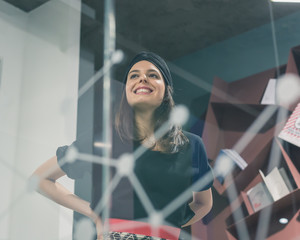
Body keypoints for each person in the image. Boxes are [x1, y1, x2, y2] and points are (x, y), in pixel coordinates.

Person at [31, 51, 214, 240]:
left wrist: (170, 224)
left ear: (166, 89)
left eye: (153, 75)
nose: (142, 78)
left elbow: (203, 203)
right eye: (134, 76)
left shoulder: (191, 146)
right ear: (127, 89)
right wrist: (94, 213)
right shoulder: (103, 139)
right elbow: (41, 179)